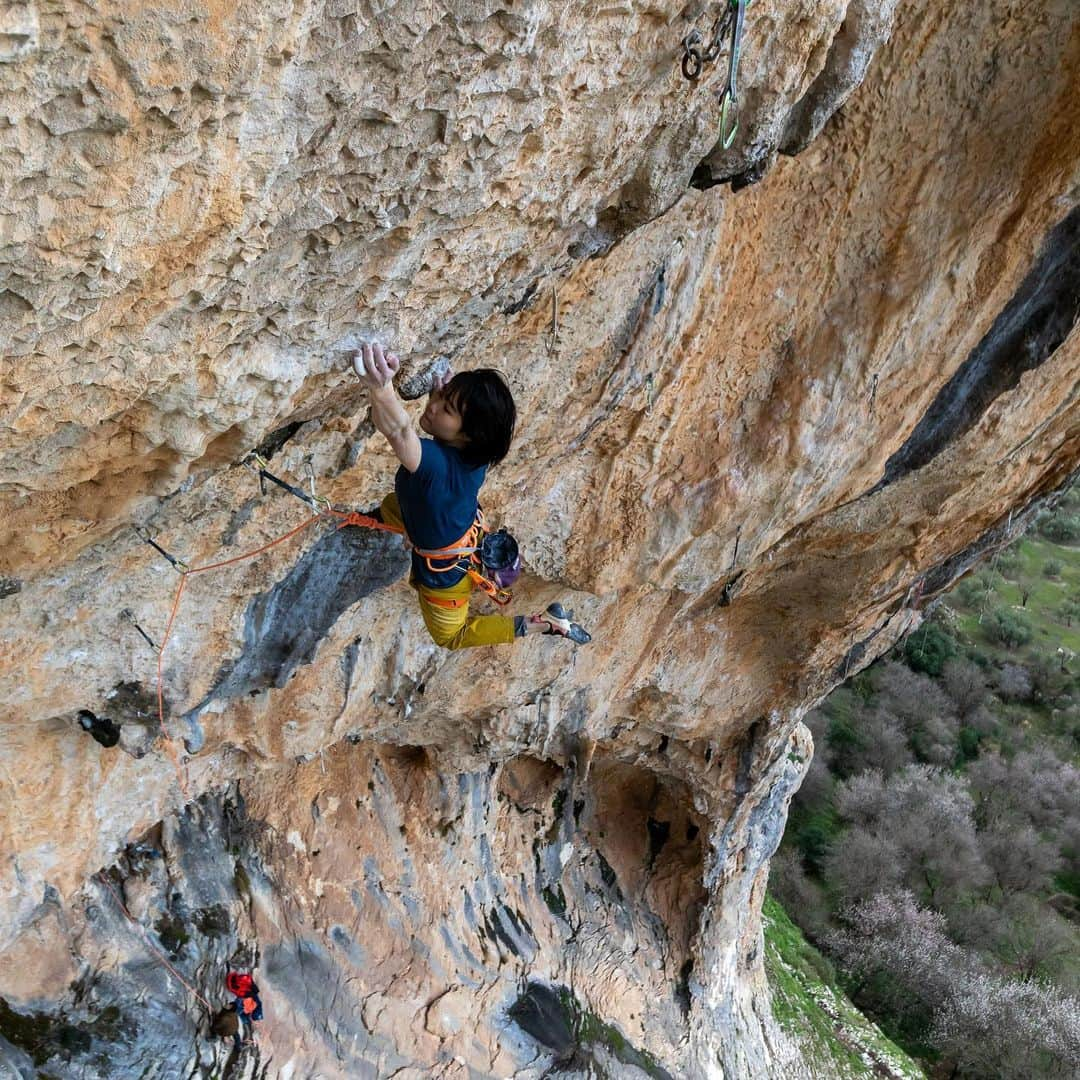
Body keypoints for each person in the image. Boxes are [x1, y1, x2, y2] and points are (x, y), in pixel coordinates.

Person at [352, 342, 590, 650]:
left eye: (447, 409)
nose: (434, 406)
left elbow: (399, 432)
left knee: (452, 637)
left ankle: (543, 625)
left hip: (447, 577)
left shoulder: (435, 466)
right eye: (441, 396)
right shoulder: (475, 458)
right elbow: (443, 432)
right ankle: (382, 524)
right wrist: (444, 396)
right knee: (395, 506)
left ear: (468, 436)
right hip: (458, 533)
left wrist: (381, 388)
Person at [224, 970, 263, 1044]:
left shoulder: (243, 984)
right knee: (244, 1018)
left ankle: (245, 1036)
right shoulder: (243, 983)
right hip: (247, 1005)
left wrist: (256, 1018)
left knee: (242, 1016)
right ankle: (246, 1036)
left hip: (247, 1004)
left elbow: (254, 995)